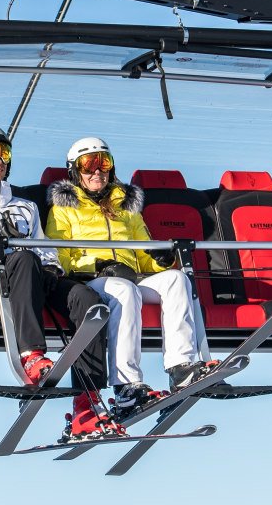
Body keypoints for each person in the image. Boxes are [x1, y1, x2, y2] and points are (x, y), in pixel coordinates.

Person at [0, 126, 118, 440]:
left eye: (5, 153)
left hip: (33, 279)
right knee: (20, 258)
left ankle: (87, 403)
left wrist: (42, 262)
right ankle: (31, 355)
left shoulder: (25, 206)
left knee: (88, 301)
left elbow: (48, 254)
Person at [45, 135, 215, 418]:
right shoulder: (64, 208)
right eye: (89, 164)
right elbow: (59, 255)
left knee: (177, 280)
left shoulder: (125, 204)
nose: (97, 171)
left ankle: (181, 366)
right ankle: (126, 386)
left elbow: (144, 248)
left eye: (104, 163)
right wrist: (99, 265)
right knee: (125, 291)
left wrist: (163, 260)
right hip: (92, 280)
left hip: (131, 276)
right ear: (75, 170)